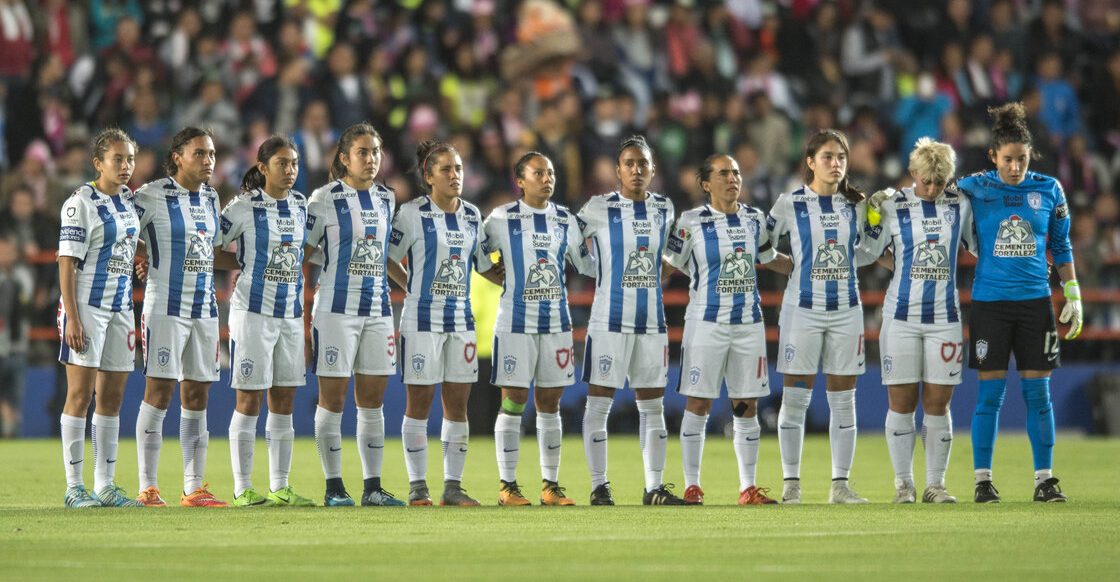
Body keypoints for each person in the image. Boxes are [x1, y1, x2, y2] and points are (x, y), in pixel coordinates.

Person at [954, 102, 1079, 503]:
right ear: (993, 157)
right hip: (990, 304)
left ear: (1030, 157)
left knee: (1037, 395)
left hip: (1034, 305)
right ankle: (982, 481)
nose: (1014, 168)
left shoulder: (1048, 189)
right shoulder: (975, 187)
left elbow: (1061, 245)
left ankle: (1044, 479)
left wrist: (1073, 293)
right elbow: (935, 194)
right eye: (1007, 159)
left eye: (1021, 159)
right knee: (990, 395)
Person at [664, 154, 793, 506]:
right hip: (705, 323)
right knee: (699, 402)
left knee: (746, 404)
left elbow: (769, 258)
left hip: (748, 324)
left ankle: (747, 487)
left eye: (736, 172)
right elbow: (668, 266)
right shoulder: (690, 222)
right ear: (706, 183)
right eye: (723, 173)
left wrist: (804, 269)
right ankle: (692, 485)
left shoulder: (754, 219)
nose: (732, 178)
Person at [388, 139, 501, 506]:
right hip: (421, 320)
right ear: (429, 176)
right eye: (446, 170)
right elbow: (387, 257)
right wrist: (409, 285)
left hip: (460, 322)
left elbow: (484, 266)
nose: (455, 176)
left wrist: (520, 277)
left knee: (457, 405)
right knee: (418, 404)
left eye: (459, 169)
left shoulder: (471, 215)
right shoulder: (410, 214)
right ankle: (418, 487)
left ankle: (452, 487)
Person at [863, 138, 976, 503]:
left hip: (945, 317)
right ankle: (903, 485)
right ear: (912, 174)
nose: (931, 188)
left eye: (939, 182)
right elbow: (868, 251)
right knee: (901, 402)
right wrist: (867, 214)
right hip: (900, 316)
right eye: (926, 180)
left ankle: (935, 484)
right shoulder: (892, 204)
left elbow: (978, 246)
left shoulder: (960, 204)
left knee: (938, 403)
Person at [768, 129, 877, 504]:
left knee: (844, 399)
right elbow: (761, 246)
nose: (836, 164)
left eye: (841, 157)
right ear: (810, 162)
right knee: (795, 398)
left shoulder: (857, 205)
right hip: (802, 311)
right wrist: (795, 267)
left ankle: (840, 486)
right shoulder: (789, 203)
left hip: (847, 310)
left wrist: (849, 260)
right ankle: (791, 486)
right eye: (828, 157)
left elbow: (867, 250)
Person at [481, 152, 594, 506]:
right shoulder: (500, 219)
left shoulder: (565, 219)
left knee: (549, 404)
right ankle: (507, 486)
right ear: (520, 181)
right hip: (514, 325)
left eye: (551, 173)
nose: (547, 179)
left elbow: (586, 264)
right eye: (539, 173)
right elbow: (477, 255)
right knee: (513, 400)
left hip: (556, 325)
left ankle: (550, 485)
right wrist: (495, 275)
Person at [578, 135, 684, 506]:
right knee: (598, 404)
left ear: (652, 170)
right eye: (629, 163)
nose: (636, 169)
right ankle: (598, 485)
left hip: (652, 324)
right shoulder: (597, 207)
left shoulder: (665, 208)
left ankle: (654, 488)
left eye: (643, 163)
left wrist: (658, 271)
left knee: (653, 406)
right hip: (608, 321)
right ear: (617, 171)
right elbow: (570, 244)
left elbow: (671, 257)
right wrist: (597, 269)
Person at [306, 123, 405, 507]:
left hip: (378, 309)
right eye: (363, 152)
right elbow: (305, 251)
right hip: (335, 310)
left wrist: (412, 288)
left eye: (376, 151)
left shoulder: (385, 198)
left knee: (373, 401)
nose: (371, 159)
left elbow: (385, 256)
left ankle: (373, 487)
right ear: (344, 158)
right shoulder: (324, 198)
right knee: (333, 399)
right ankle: (333, 488)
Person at [131, 127, 228, 507]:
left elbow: (212, 250)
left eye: (212, 154)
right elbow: (126, 234)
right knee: (159, 393)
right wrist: (145, 255)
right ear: (177, 157)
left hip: (204, 308)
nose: (208, 161)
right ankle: (148, 487)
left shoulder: (210, 197)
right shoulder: (151, 195)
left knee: (197, 394)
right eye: (200, 153)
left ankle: (193, 487)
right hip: (165, 307)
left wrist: (244, 262)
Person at [217, 135, 314, 507]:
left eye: (294, 163)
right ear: (262, 168)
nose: (290, 170)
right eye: (282, 163)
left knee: (284, 399)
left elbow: (304, 249)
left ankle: (280, 486)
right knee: (249, 398)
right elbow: (211, 249)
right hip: (252, 313)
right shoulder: (242, 207)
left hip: (290, 314)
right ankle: (242, 488)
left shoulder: (302, 206)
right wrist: (243, 265)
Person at [56, 128, 143, 508]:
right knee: (79, 395)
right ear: (98, 163)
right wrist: (72, 318)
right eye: (117, 159)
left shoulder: (127, 200)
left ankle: (105, 485)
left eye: (130, 159)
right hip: (87, 308)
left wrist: (140, 260)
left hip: (121, 307)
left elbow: (128, 243)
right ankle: (74, 487)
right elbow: (66, 262)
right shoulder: (80, 203)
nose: (125, 167)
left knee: (111, 398)